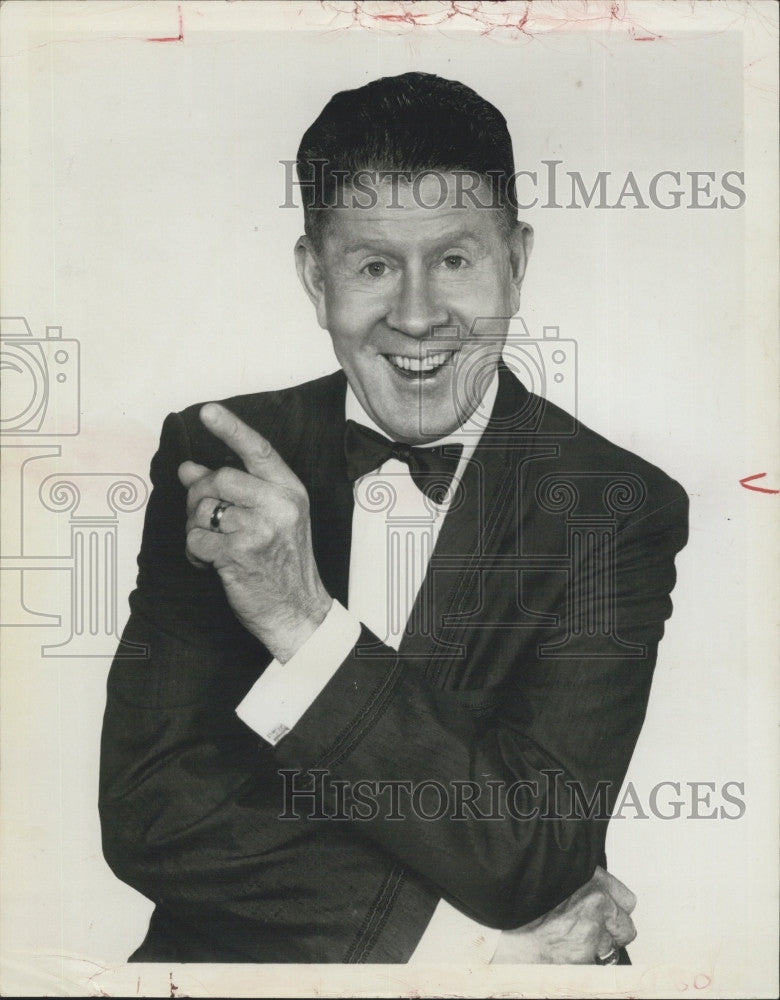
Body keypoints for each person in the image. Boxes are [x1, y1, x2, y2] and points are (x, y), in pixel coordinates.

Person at [99, 72, 688, 965]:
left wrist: (301, 626)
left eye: (455, 260)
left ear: (517, 264)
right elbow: (152, 813)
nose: (416, 316)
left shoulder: (616, 506)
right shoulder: (221, 455)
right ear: (314, 275)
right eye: (373, 265)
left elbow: (536, 847)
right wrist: (472, 945)